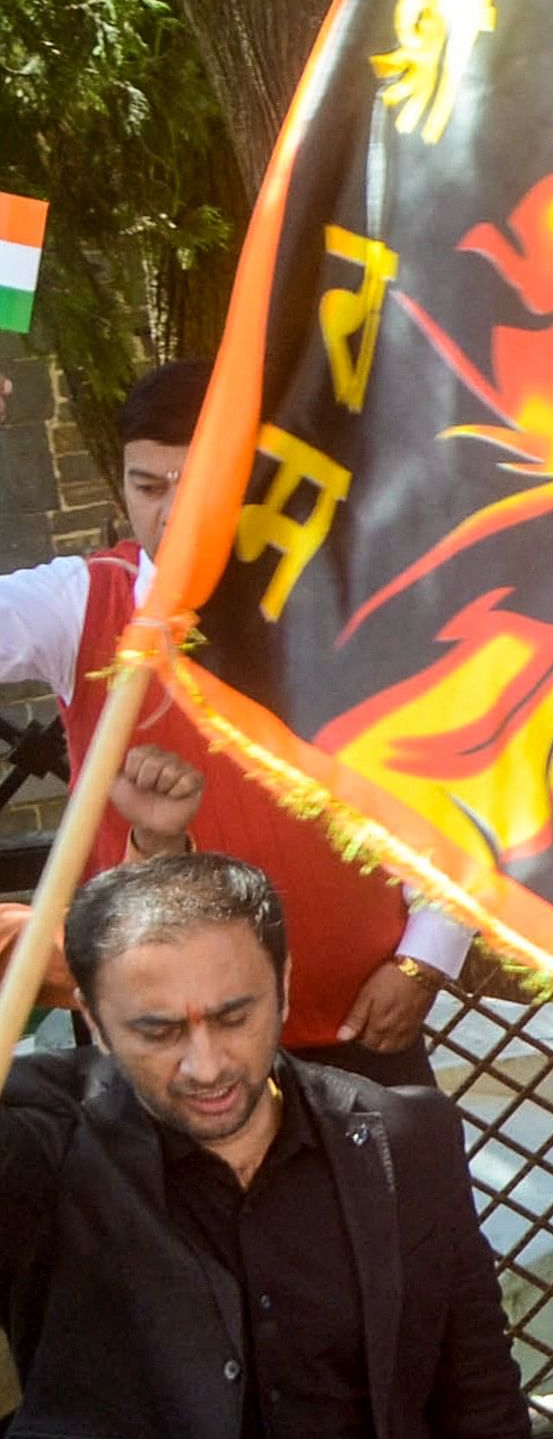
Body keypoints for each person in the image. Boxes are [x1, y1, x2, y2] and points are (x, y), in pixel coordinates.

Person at [1, 852, 552, 1439]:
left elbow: (476, 1388)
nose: (206, 1062)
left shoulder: (401, 1140)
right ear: (88, 1020)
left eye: (234, 1013)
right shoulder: (45, 1145)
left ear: (286, 982)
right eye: (157, 1029)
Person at [0, 361, 474, 1091]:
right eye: (147, 486)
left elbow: (445, 781)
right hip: (164, 1051)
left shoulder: (351, 603)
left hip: (357, 1030)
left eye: (194, 484)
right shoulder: (84, 603)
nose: (168, 512)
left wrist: (427, 954)